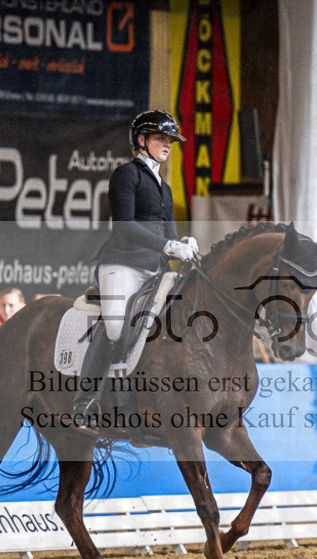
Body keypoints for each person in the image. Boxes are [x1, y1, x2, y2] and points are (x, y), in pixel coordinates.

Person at [72, 110, 199, 421]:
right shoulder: (126, 175)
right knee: (116, 326)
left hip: (154, 268)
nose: (168, 144)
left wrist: (185, 247)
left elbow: (169, 237)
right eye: (160, 138)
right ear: (141, 141)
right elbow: (125, 227)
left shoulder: (165, 189)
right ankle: (84, 402)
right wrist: (169, 246)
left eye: (170, 140)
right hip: (122, 264)